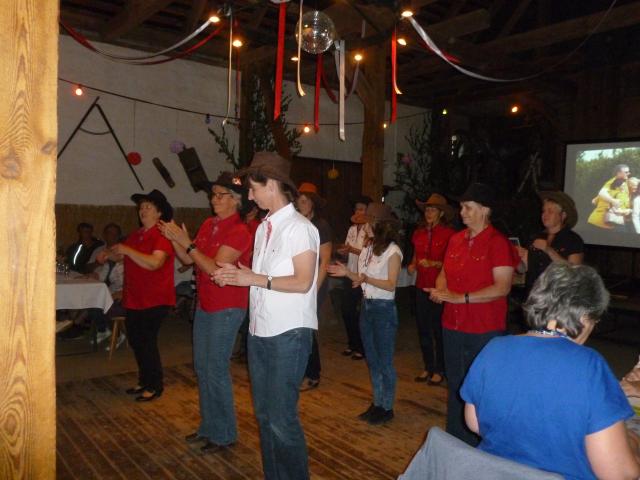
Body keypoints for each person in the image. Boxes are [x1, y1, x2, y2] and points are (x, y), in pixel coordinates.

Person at [461, 263, 640, 479]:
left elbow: (475, 423)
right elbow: (619, 473)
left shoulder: (494, 348)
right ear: (585, 317)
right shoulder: (589, 365)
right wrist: (633, 439)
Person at [213, 152, 319, 480]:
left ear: (271, 185)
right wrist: (237, 275)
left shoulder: (300, 228)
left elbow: (303, 282)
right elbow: (261, 279)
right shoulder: (263, 228)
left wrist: (253, 278)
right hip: (260, 331)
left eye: (253, 188)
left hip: (289, 334)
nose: (249, 195)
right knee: (264, 416)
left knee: (281, 419)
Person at [159, 172, 253, 453]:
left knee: (216, 369)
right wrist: (174, 238)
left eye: (220, 195)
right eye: (213, 194)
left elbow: (214, 268)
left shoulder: (240, 231)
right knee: (203, 367)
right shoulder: (209, 224)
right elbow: (189, 260)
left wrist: (186, 242)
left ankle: (224, 434)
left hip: (228, 305)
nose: (214, 199)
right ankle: (209, 428)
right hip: (206, 302)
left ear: (236, 201)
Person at [426, 183, 515, 445]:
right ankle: (455, 441)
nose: (462, 212)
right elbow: (443, 273)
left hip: (483, 328)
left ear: (485, 210)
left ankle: (482, 445)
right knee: (455, 384)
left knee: (481, 388)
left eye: (468, 207)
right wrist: (442, 291)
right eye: (462, 207)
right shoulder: (456, 239)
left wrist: (461, 297)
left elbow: (503, 287)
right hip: (452, 323)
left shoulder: (498, 243)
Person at [328, 202, 402, 426]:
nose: (366, 224)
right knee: (372, 359)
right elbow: (360, 278)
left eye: (369, 221)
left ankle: (387, 407)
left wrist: (364, 278)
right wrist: (347, 273)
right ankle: (377, 403)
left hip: (383, 309)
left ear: (380, 225)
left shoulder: (393, 251)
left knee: (384, 361)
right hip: (367, 306)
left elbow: (390, 284)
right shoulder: (368, 248)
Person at [104, 189, 175, 402]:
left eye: (148, 207)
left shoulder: (161, 235)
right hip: (135, 298)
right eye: (141, 207)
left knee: (146, 342)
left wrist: (126, 251)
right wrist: (107, 254)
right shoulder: (136, 235)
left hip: (155, 299)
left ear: (159, 213)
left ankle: (155, 385)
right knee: (136, 341)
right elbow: (122, 255)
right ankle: (145, 380)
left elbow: (154, 263)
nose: (142, 211)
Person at [408, 193, 455, 385]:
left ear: (441, 213)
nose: (428, 213)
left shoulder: (449, 235)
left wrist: (434, 263)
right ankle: (428, 366)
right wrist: (412, 265)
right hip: (421, 285)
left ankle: (440, 369)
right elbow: (415, 256)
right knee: (423, 327)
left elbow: (452, 263)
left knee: (438, 328)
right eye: (427, 209)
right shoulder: (418, 233)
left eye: (433, 210)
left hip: (439, 287)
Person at [296, 182, 333, 390]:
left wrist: (313, 290)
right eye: (298, 201)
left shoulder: (321, 225)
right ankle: (302, 369)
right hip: (299, 281)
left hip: (315, 283)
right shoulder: (297, 224)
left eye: (304, 201)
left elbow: (325, 261)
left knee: (307, 326)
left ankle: (312, 374)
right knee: (299, 326)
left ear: (313, 204)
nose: (300, 204)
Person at [516, 191, 584, 294]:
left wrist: (548, 250)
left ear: (563, 215)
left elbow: (574, 273)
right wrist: (516, 257)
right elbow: (522, 269)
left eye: (550, 211)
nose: (545, 215)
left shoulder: (573, 240)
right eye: (543, 211)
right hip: (534, 295)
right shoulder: (535, 237)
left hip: (558, 297)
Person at [336, 195, 372, 360]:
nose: (358, 212)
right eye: (356, 209)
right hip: (349, 273)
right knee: (347, 310)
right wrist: (343, 251)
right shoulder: (351, 229)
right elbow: (348, 250)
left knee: (359, 312)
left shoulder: (370, 230)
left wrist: (350, 250)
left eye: (362, 209)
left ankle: (362, 347)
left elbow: (370, 253)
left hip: (364, 276)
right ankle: (352, 344)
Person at [588, 164, 631, 229]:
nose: (629, 173)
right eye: (626, 172)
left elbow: (594, 201)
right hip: (600, 222)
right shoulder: (613, 181)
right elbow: (601, 192)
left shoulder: (624, 184)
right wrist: (613, 201)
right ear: (618, 173)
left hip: (608, 223)